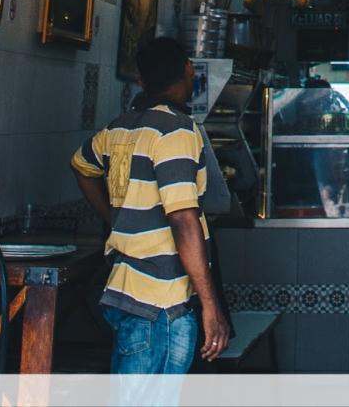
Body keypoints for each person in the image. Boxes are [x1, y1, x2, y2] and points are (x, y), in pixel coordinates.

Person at [72, 36, 231, 387]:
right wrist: (211, 306)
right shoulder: (177, 131)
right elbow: (183, 220)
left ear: (142, 81)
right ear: (189, 72)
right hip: (160, 300)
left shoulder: (117, 129)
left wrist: (116, 219)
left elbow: (81, 166)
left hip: (126, 291)